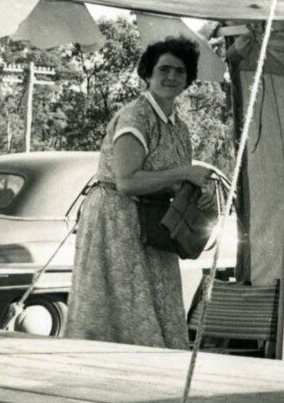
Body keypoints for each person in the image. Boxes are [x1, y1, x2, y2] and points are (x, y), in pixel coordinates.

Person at [64, 36, 215, 350]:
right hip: (116, 222)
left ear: (188, 79)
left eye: (180, 71)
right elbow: (127, 182)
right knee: (121, 310)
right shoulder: (136, 116)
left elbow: (170, 179)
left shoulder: (179, 127)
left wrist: (196, 191)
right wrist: (184, 173)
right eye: (164, 69)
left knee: (155, 306)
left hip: (154, 224)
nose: (171, 77)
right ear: (148, 73)